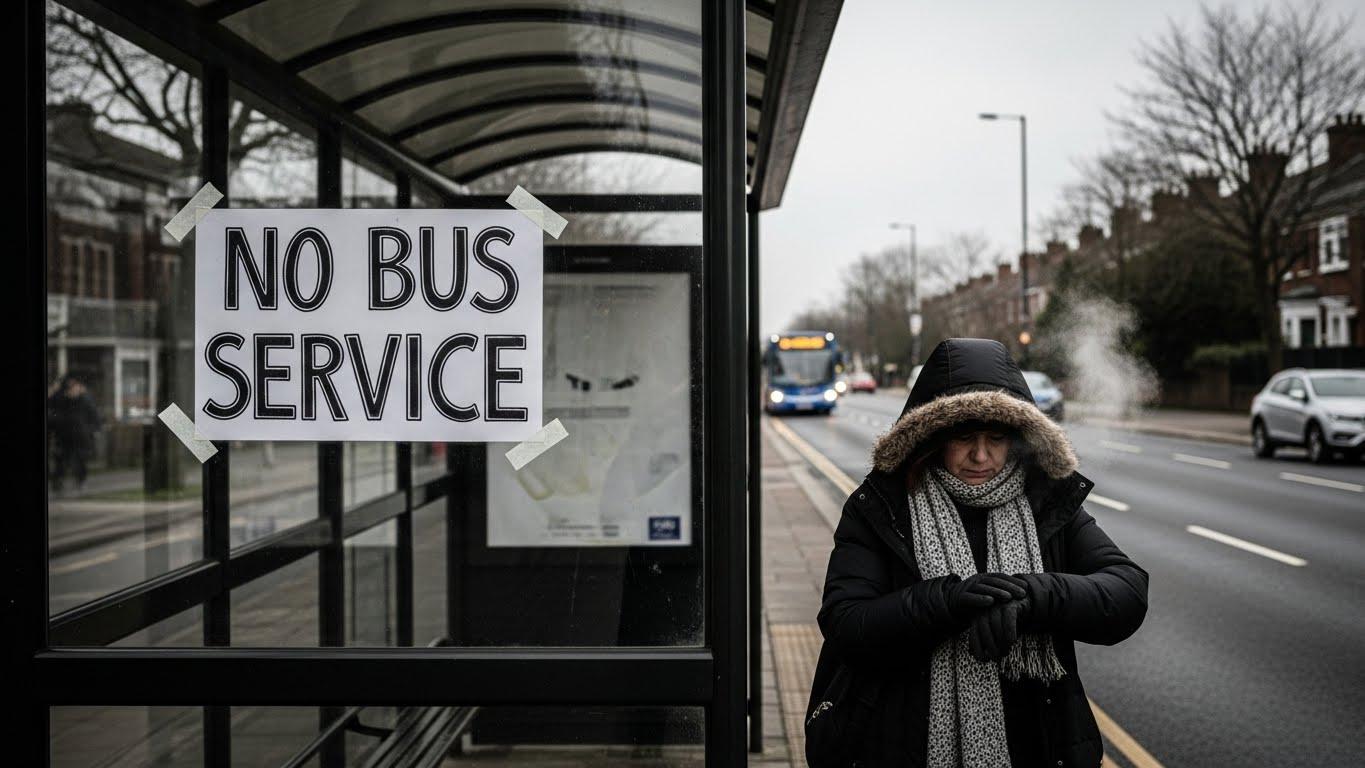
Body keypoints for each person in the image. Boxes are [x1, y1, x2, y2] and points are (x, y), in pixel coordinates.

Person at [807, 338, 1148, 768]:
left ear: (1018, 438)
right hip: (903, 745)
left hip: (1038, 746)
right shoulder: (882, 508)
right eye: (964, 437)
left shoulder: (1044, 502)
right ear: (931, 437)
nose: (981, 455)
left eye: (996, 438)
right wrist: (947, 602)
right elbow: (845, 622)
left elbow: (1126, 591)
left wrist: (1030, 597)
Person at [47, 374, 99, 493]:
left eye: (75, 386)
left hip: (80, 436)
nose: (73, 389)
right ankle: (58, 483)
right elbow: (51, 414)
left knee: (80, 460)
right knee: (61, 461)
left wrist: (92, 430)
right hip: (63, 436)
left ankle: (81, 481)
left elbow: (93, 415)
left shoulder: (84, 400)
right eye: (70, 387)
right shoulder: (59, 399)